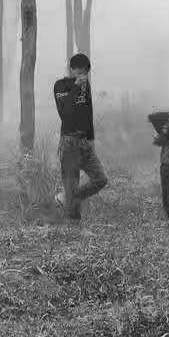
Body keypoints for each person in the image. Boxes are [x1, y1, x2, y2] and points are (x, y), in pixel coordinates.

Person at [53, 53, 108, 221]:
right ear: (71, 69)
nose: (82, 75)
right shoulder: (60, 86)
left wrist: (90, 137)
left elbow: (87, 111)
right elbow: (65, 113)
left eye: (85, 72)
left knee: (100, 179)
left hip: (85, 143)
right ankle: (74, 230)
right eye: (80, 71)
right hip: (69, 144)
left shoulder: (86, 85)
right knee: (72, 189)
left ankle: (68, 197)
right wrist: (76, 87)